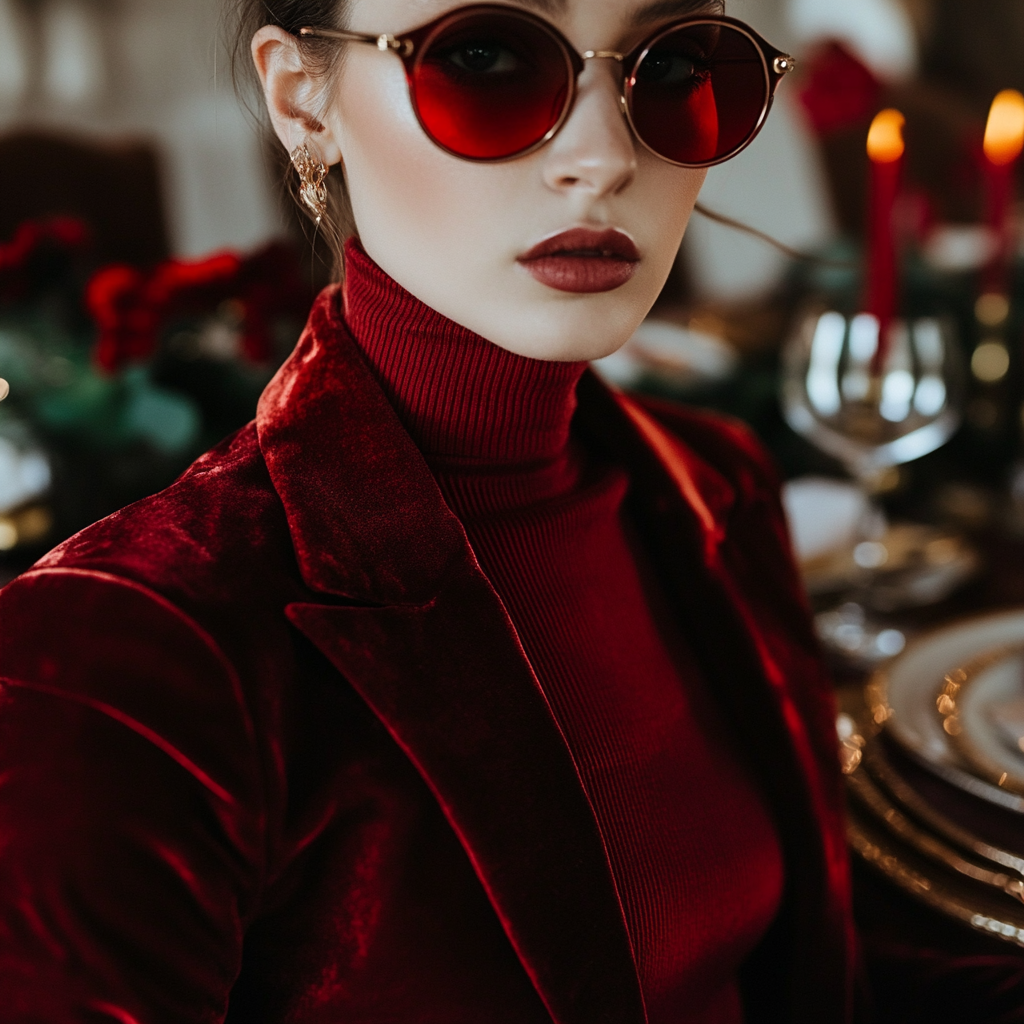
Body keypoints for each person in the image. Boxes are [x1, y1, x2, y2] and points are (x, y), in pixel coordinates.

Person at [0, 0, 854, 1020]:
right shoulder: (125, 657)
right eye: (484, 57)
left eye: (671, 66)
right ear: (301, 99)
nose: (603, 157)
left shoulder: (717, 484)